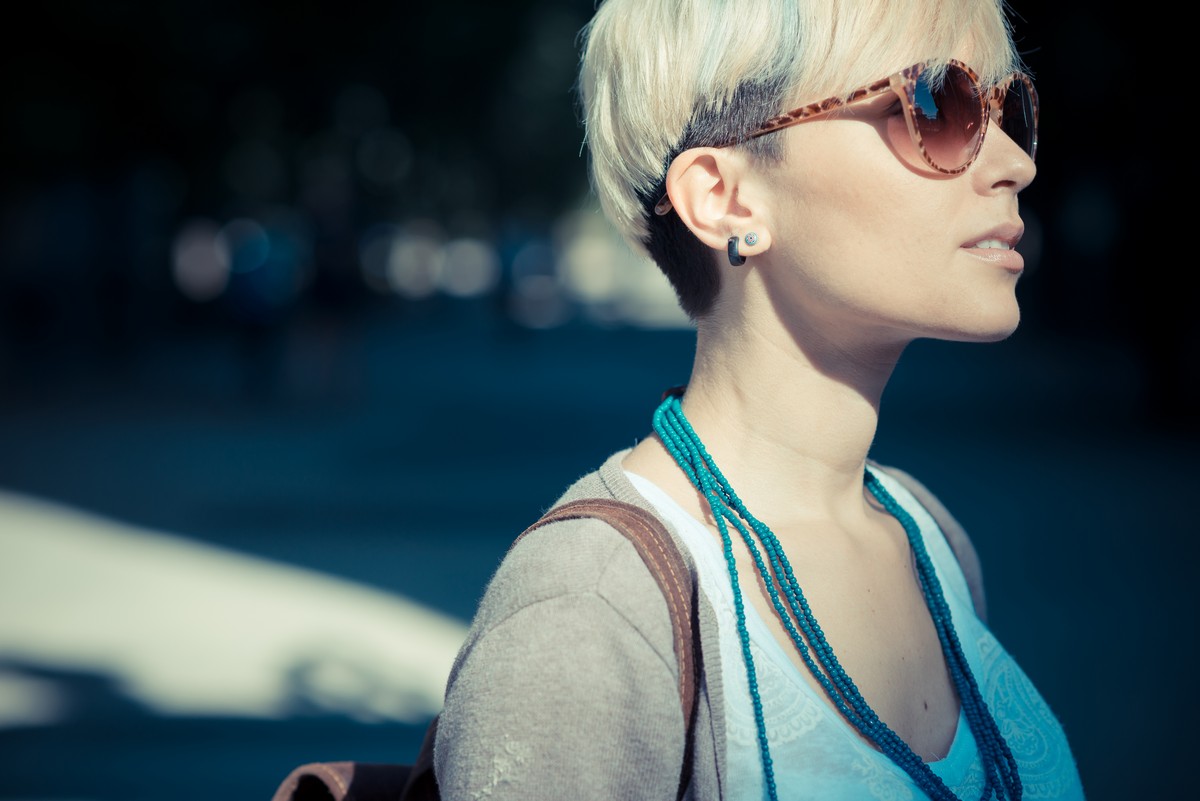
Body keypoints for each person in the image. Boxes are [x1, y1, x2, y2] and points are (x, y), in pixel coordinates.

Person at [433, 0, 1085, 799]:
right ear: (725, 198)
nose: (1015, 160)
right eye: (934, 103)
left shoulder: (930, 537)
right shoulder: (586, 613)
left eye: (1009, 107)